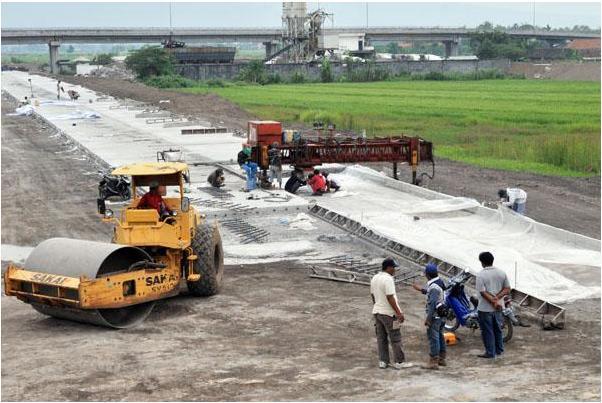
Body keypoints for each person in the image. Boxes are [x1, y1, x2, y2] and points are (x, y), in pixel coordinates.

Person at [370, 257, 412, 370]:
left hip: (377, 312)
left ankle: (383, 361)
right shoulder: (388, 279)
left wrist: (376, 306)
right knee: (396, 338)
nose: (395, 270)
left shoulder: (375, 278)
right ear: (388, 268)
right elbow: (390, 297)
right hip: (389, 314)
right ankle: (399, 361)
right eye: (394, 268)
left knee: (381, 338)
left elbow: (373, 296)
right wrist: (399, 313)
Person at [475, 251, 511, 359]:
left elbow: (482, 292)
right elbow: (507, 288)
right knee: (497, 329)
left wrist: (492, 301)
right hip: (498, 307)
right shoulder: (501, 273)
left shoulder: (481, 275)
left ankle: (490, 352)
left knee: (487, 331)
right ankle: (499, 349)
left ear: (482, 262)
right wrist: (497, 298)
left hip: (485, 308)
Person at [416, 263, 447, 370]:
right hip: (441, 315)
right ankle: (442, 359)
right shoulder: (439, 282)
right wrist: (421, 290)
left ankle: (433, 361)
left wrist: (428, 319)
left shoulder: (433, 287)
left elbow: (433, 303)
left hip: (435, 316)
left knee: (434, 338)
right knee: (440, 336)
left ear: (427, 275)